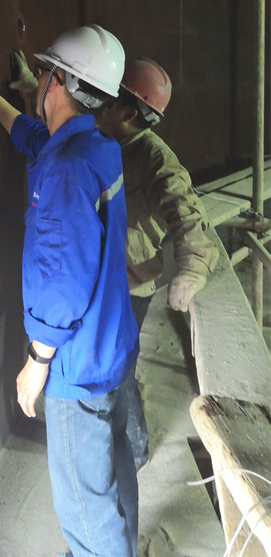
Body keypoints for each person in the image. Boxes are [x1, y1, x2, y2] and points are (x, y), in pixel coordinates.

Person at [0, 26, 140, 557]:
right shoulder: (96, 149)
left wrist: (37, 361)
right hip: (110, 348)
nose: (37, 80)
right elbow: (30, 135)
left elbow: (62, 286)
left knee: (85, 509)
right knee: (114, 477)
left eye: (42, 72)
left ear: (57, 81)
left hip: (75, 367)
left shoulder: (64, 171)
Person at [100, 57, 220, 470]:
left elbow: (186, 209)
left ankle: (135, 448)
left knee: (120, 370)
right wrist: (35, 88)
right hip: (108, 278)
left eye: (108, 100)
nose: (99, 106)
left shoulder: (153, 157)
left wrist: (192, 268)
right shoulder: (113, 139)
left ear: (128, 113)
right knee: (112, 365)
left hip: (131, 285)